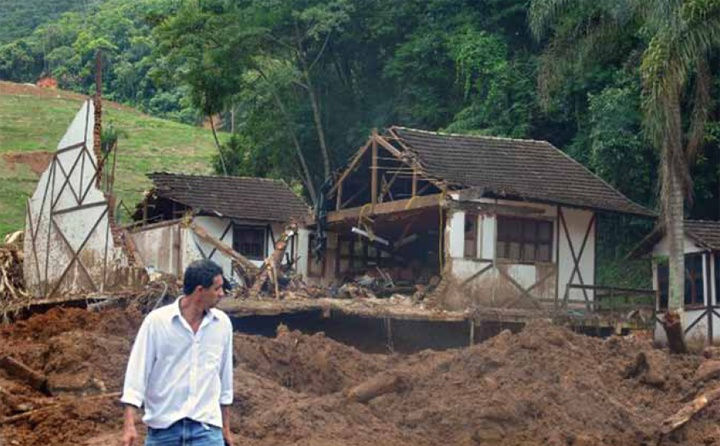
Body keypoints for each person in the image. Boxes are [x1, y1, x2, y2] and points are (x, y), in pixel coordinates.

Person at [121, 259, 234, 446]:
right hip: (164, 431)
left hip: (206, 431)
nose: (221, 294)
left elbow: (225, 378)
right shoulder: (157, 322)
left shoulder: (222, 325)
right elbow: (137, 374)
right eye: (217, 289)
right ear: (200, 291)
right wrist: (129, 424)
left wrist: (226, 428)